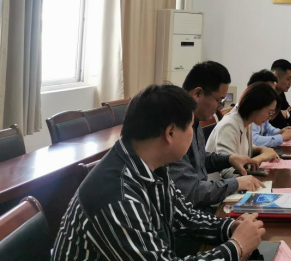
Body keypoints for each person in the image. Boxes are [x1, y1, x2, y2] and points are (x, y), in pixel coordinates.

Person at [52, 84, 265, 261]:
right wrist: (236, 246)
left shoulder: (151, 165)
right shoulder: (117, 195)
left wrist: (230, 227)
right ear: (170, 133)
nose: (193, 134)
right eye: (191, 126)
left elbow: (182, 217)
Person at [168, 61, 263, 212]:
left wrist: (229, 159)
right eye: (219, 100)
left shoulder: (194, 121)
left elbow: (198, 159)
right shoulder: (175, 128)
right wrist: (237, 184)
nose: (220, 106)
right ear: (197, 94)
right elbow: (191, 192)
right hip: (191, 212)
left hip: (198, 210)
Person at [206, 82, 281, 176]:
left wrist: (261, 149)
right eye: (270, 112)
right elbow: (227, 172)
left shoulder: (247, 122)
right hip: (219, 183)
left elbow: (242, 148)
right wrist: (262, 157)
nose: (269, 118)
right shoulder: (229, 125)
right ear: (256, 106)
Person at [247, 69, 291, 147]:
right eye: (269, 91)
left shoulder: (261, 108)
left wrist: (280, 132)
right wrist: (282, 137)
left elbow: (267, 128)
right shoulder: (248, 111)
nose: (273, 95)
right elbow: (253, 141)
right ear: (256, 91)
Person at [269, 59, 291, 129]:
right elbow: (274, 121)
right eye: (288, 79)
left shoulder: (280, 92)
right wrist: (281, 114)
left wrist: (285, 114)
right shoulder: (266, 94)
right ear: (276, 78)